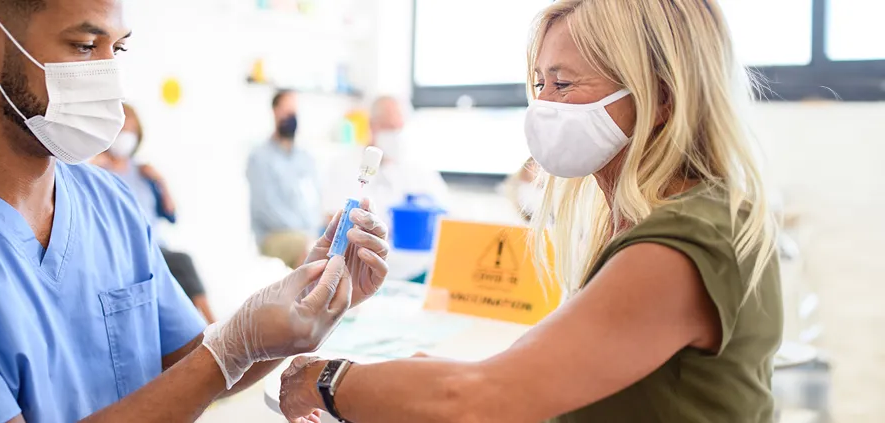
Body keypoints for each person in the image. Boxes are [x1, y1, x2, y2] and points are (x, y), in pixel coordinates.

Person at [0, 1, 390, 423]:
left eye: (118, 49)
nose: (108, 76)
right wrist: (229, 348)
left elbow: (187, 370)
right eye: (84, 47)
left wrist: (302, 304)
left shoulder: (106, 202)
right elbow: (210, 365)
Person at [280, 0, 782, 422]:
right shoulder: (647, 221)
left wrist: (327, 381)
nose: (543, 107)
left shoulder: (684, 240)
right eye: (539, 85)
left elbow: (476, 399)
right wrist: (428, 380)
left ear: (662, 95)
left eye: (563, 86)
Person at [92, 103, 217, 323]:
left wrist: (161, 182)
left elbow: (171, 215)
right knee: (181, 262)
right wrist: (92, 166)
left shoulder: (144, 172)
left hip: (156, 247)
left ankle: (209, 328)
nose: (125, 136)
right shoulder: (96, 172)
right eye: (121, 129)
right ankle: (214, 329)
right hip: (123, 249)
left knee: (177, 268)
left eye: (131, 131)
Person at [321, 96, 449, 227]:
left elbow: (445, 212)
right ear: (372, 125)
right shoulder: (342, 165)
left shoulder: (418, 168)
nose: (396, 135)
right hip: (359, 245)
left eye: (400, 128)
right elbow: (333, 218)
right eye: (390, 127)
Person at [246, 89, 321, 269]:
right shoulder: (260, 157)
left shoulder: (305, 158)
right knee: (312, 249)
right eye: (286, 111)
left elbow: (315, 199)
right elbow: (266, 207)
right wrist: (304, 233)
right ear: (275, 112)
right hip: (273, 236)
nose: (291, 116)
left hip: (307, 234)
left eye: (294, 111)